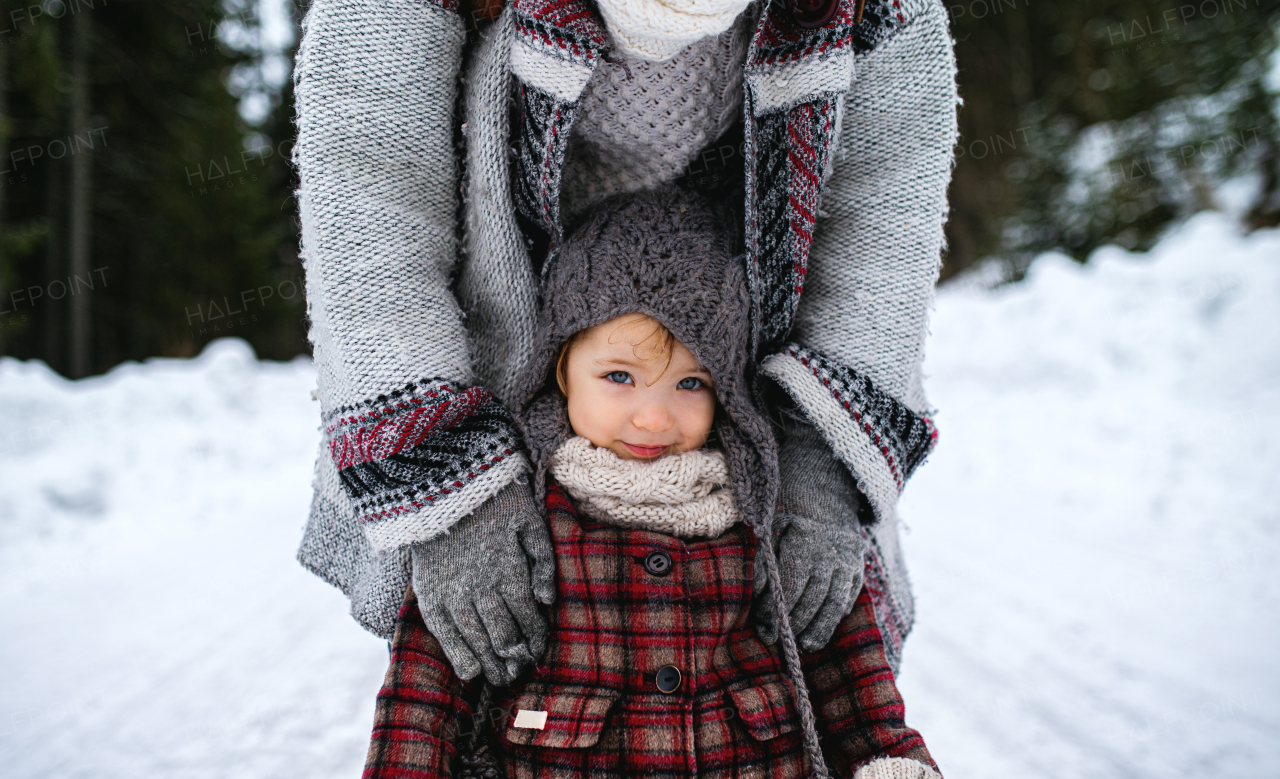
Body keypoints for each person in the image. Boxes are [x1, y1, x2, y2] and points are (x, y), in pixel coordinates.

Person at [293, 0, 959, 686]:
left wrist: (822, 460)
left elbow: (885, 220)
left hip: (762, 426)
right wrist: (446, 485)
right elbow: (367, 187)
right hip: (487, 407)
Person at [363, 190, 939, 779]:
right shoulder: (513, 517)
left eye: (691, 384)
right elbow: (423, 700)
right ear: (561, 367)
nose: (654, 418)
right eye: (619, 376)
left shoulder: (768, 514)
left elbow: (854, 687)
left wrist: (889, 761)